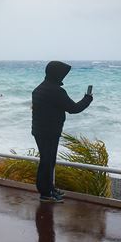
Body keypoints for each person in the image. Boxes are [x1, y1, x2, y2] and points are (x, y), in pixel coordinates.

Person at [31, 61, 92, 202]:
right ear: (56, 74)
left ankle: (49, 189)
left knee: (47, 161)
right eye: (62, 74)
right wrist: (87, 99)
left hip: (39, 130)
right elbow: (74, 108)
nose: (64, 77)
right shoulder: (56, 91)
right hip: (49, 132)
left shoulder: (39, 88)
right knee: (47, 162)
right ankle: (45, 194)